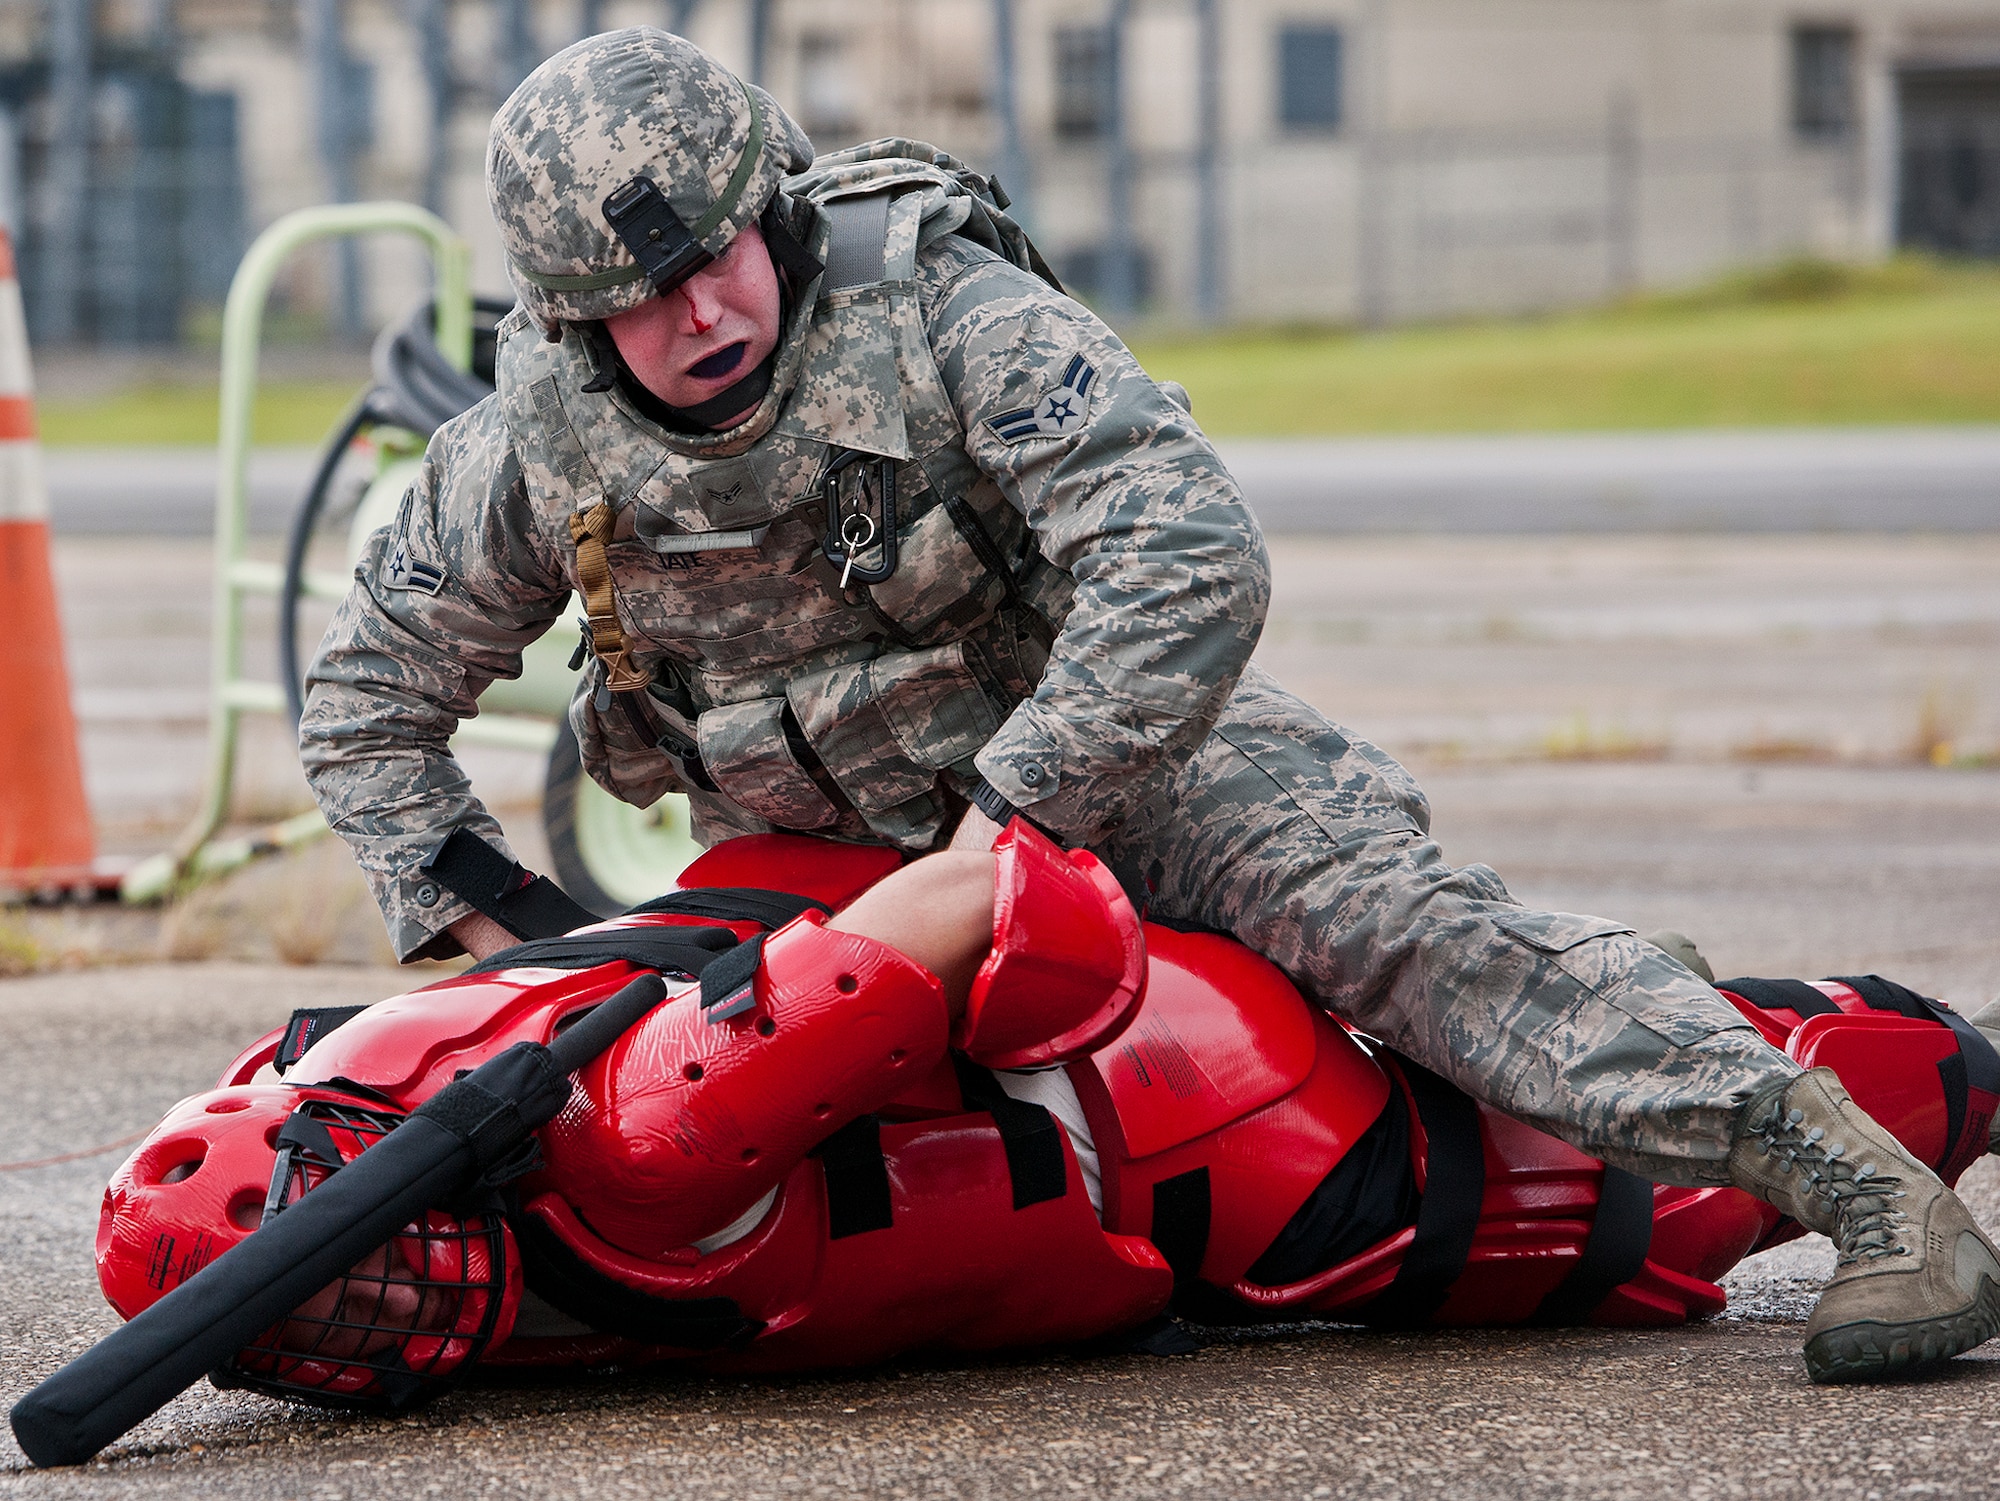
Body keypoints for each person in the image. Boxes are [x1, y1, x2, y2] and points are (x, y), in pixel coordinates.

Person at [296, 26, 2000, 1382]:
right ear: (571, 320)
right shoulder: (529, 451)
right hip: (815, 853)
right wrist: (482, 925)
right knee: (680, 1149)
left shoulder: (940, 309)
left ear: (774, 205)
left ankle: (1857, 1180)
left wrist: (1020, 813)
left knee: (1406, 945)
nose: (705, 312)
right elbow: (367, 695)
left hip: (1119, 760)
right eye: (643, 302)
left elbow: (1190, 552)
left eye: (724, 256)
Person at [99, 829, 2000, 1406]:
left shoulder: (627, 1140)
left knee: (1620, 1195)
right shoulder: (441, 1056)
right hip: (1143, 1122)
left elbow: (995, 888)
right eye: (299, 1330)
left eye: (317, 1284)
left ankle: (1923, 1073)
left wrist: (851, 957)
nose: (344, 1318)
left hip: (1217, 1121)